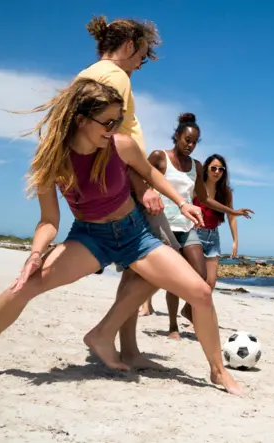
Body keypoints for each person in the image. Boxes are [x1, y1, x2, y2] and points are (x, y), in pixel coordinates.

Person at [0, 78, 243, 396]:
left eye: (116, 122)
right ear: (81, 119)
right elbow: (48, 220)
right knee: (24, 286)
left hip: (135, 234)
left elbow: (151, 173)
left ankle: (218, 372)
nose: (113, 129)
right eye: (107, 122)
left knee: (200, 292)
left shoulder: (120, 145)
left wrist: (182, 202)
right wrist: (35, 254)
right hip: (90, 237)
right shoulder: (52, 159)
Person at [75, 14, 168, 369]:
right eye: (141, 56)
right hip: (126, 187)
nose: (140, 65)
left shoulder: (90, 73)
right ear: (129, 45)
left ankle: (128, 347)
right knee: (155, 264)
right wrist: (142, 187)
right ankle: (106, 334)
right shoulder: (115, 77)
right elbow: (111, 139)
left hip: (108, 185)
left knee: (136, 269)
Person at [134, 114, 254, 340]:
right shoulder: (160, 157)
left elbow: (204, 198)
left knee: (199, 278)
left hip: (186, 227)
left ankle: (188, 309)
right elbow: (139, 178)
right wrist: (144, 197)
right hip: (162, 227)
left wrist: (232, 211)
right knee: (173, 278)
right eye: (187, 140)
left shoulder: (196, 166)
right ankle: (172, 326)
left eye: (194, 142)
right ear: (177, 136)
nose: (190, 145)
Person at [192, 154, 241, 290]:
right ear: (206, 169)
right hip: (195, 235)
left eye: (221, 169)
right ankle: (191, 309)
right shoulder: (196, 187)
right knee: (197, 279)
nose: (217, 172)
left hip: (213, 237)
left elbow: (231, 216)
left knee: (211, 282)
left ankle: (189, 310)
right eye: (213, 168)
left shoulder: (225, 192)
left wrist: (235, 241)